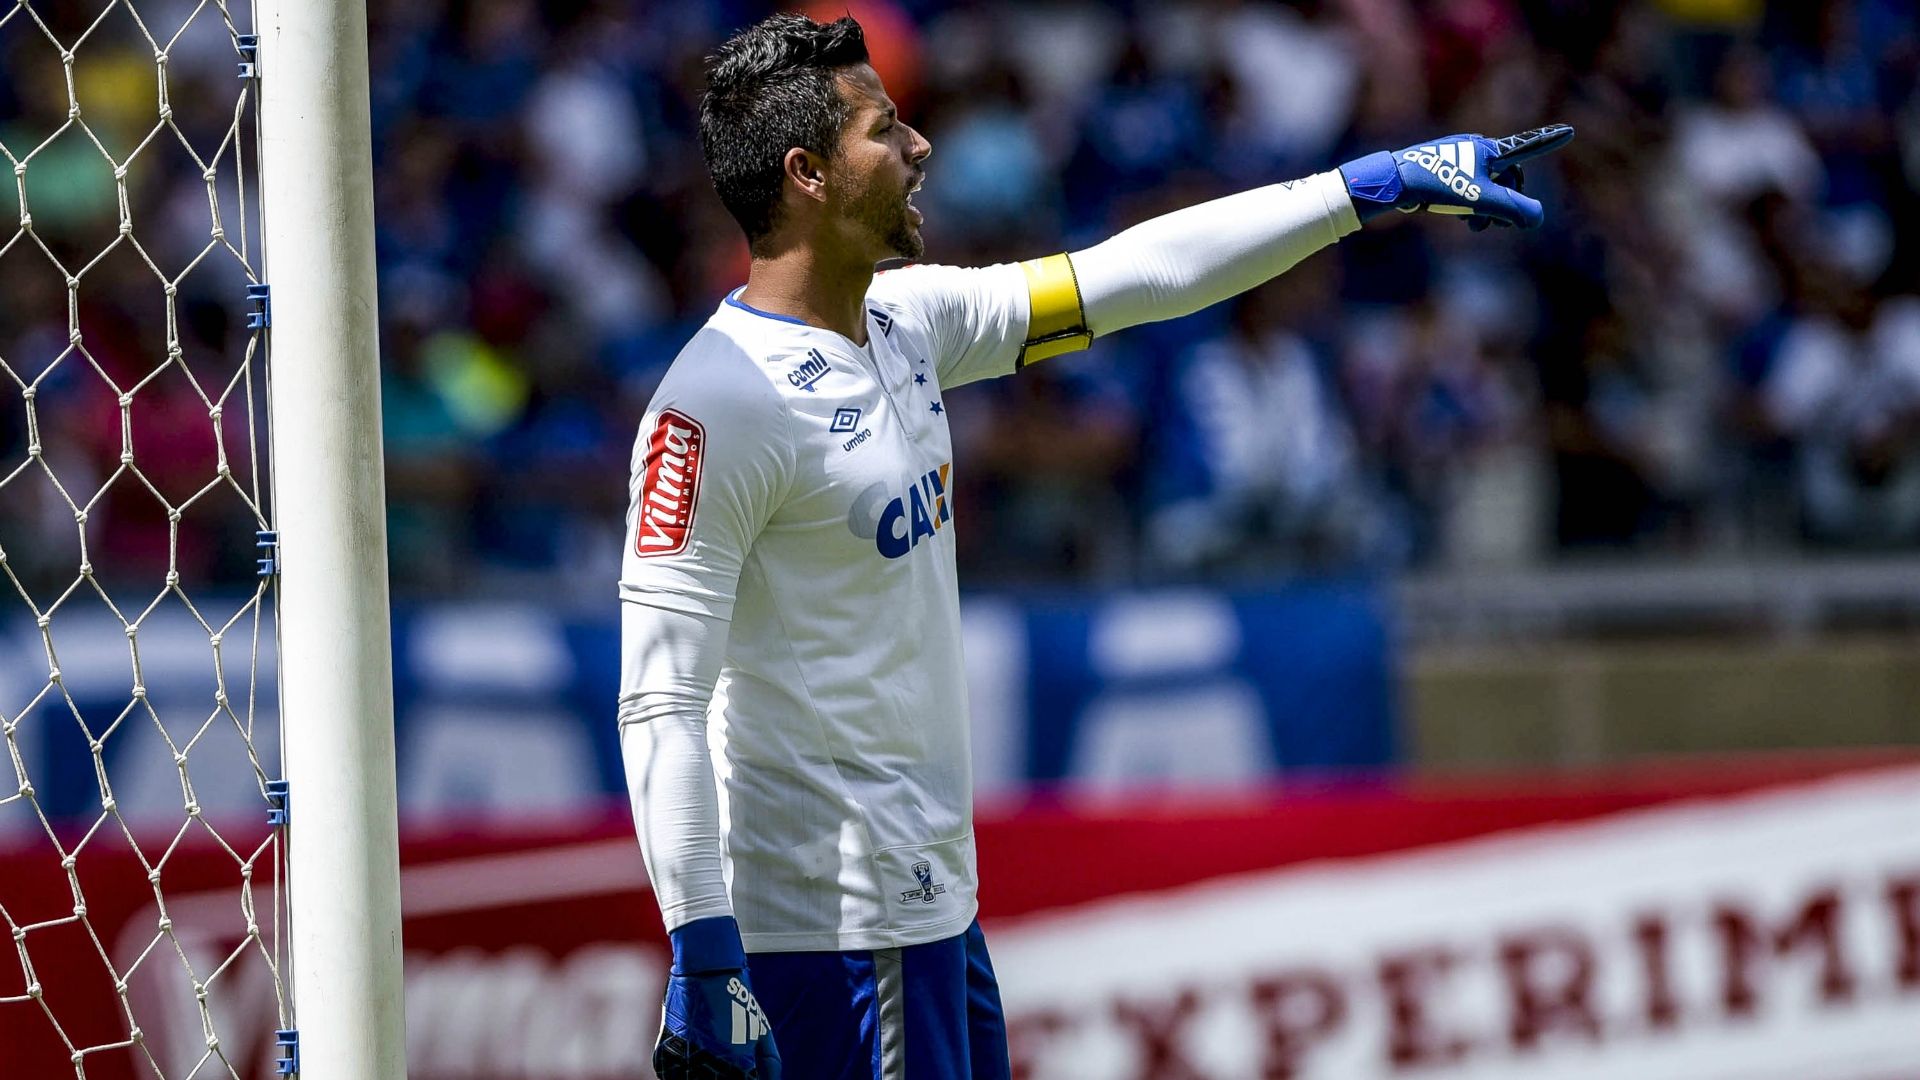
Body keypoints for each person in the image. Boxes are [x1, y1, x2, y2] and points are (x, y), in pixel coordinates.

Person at [618, 13, 1570, 1079]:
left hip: (934, 917)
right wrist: (703, 947)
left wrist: (1368, 187)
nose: (921, 146)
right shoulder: (714, 408)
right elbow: (661, 695)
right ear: (807, 174)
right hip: (834, 940)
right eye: (885, 130)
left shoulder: (908, 322)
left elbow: (1132, 277)